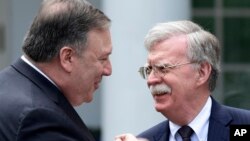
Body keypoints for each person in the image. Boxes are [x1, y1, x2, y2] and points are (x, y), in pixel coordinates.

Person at [115, 20, 250, 141]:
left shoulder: (243, 128)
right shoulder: (147, 138)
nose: (151, 80)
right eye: (149, 70)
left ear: (201, 72)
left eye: (163, 68)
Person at [0, 0, 112, 140]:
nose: (108, 70)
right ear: (67, 58)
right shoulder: (40, 118)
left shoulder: (6, 84)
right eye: (103, 58)